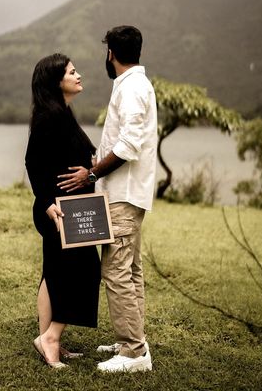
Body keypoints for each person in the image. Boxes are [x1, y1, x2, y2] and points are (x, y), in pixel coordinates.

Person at [57, 25, 157, 373]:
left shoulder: (131, 89)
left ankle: (133, 352)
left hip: (123, 195)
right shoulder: (136, 85)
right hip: (129, 194)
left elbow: (128, 146)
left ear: (110, 53)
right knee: (130, 270)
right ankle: (132, 339)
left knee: (115, 269)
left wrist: (92, 172)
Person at [25, 53, 101, 369]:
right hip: (59, 211)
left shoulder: (62, 113)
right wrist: (47, 203)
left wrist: (93, 167)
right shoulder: (50, 116)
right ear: (57, 81)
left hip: (66, 207)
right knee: (85, 270)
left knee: (53, 274)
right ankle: (51, 337)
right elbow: (32, 162)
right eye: (72, 72)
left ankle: (48, 341)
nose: (78, 75)